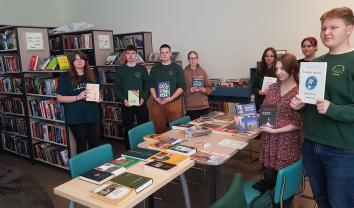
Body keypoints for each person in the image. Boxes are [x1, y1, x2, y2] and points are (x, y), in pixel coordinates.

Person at [290, 7, 354, 208]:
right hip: (310, 143)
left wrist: (333, 109)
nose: (327, 32)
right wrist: (299, 106)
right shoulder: (314, 63)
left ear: (349, 29)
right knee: (321, 200)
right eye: (323, 28)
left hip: (341, 149)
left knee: (341, 203)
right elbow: (309, 101)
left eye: (334, 27)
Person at [255, 54, 303, 208]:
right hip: (271, 139)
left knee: (286, 179)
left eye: (282, 68)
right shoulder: (273, 88)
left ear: (293, 69)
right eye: (276, 68)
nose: (278, 72)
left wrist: (275, 131)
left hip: (288, 142)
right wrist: (248, 117)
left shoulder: (300, 91)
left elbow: (300, 124)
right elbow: (268, 112)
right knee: (271, 174)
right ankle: (272, 200)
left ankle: (282, 201)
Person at [56, 50, 102, 154]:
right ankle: (83, 169)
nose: (79, 61)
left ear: (85, 61)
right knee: (81, 144)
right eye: (76, 59)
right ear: (72, 62)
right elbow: (59, 98)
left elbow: (98, 91)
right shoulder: (66, 78)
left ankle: (94, 168)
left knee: (95, 143)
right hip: (76, 117)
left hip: (93, 115)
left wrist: (99, 98)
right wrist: (78, 97)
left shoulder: (92, 75)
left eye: (81, 59)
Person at [113, 44, 150, 150]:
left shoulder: (142, 69)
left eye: (133, 53)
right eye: (128, 53)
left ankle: (144, 149)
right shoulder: (121, 70)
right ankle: (129, 151)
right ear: (125, 55)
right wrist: (123, 99)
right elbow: (117, 87)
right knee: (128, 129)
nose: (130, 56)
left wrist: (144, 98)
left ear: (136, 55)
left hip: (141, 103)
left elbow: (147, 86)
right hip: (127, 104)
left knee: (143, 128)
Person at [149, 44, 186, 134]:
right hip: (158, 103)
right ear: (160, 55)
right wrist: (155, 97)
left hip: (174, 102)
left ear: (170, 53)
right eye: (162, 53)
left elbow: (182, 86)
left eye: (166, 52)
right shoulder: (154, 69)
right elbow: (151, 85)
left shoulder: (177, 68)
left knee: (176, 130)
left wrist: (171, 98)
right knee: (159, 129)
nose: (164, 54)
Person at [183, 51, 213, 120]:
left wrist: (205, 90)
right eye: (191, 58)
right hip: (191, 107)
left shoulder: (202, 71)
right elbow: (181, 91)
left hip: (203, 106)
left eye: (194, 58)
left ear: (197, 59)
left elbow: (210, 88)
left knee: (204, 128)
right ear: (188, 60)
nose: (193, 60)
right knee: (193, 128)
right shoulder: (184, 72)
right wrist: (189, 90)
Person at [252, 47, 277, 112]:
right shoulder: (259, 71)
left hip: (274, 105)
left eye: (271, 56)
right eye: (267, 56)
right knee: (259, 121)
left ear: (275, 58)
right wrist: (258, 92)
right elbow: (253, 87)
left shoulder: (278, 72)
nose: (269, 58)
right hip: (259, 103)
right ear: (264, 57)